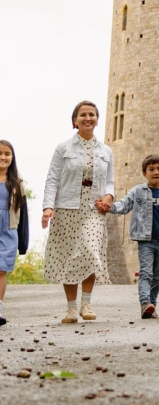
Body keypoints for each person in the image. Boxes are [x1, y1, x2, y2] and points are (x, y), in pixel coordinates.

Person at [42, 101, 114, 323]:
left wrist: (109, 197)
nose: (87, 118)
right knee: (69, 256)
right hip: (67, 209)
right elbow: (52, 179)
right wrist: (48, 207)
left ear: (97, 120)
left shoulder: (106, 151)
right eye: (83, 115)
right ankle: (72, 308)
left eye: (92, 114)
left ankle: (87, 302)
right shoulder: (63, 148)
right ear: (75, 121)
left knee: (90, 250)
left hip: (93, 209)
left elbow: (110, 182)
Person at [103, 154, 159, 319]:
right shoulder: (138, 191)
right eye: (151, 169)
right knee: (146, 272)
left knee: (157, 276)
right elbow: (124, 205)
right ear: (144, 173)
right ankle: (145, 303)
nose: (156, 172)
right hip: (145, 241)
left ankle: (152, 307)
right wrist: (108, 206)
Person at [0, 141, 29, 326]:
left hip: (8, 231)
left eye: (7, 154)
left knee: (2, 270)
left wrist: (23, 242)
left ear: (12, 157)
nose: (3, 157)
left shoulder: (17, 183)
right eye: (0, 153)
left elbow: (23, 214)